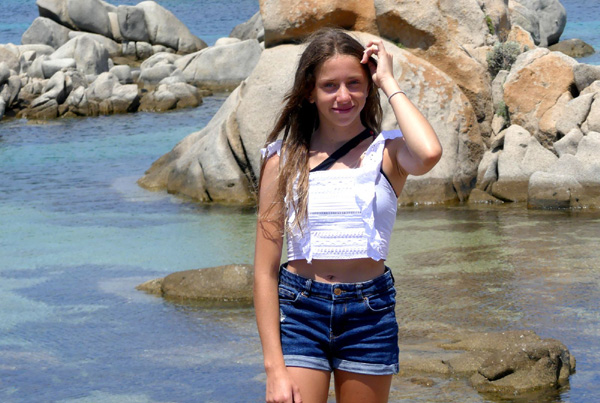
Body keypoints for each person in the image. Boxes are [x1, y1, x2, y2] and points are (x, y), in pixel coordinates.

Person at [254, 28, 442, 403]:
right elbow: (265, 271)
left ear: (368, 86)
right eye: (330, 86)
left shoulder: (387, 153)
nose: (344, 96)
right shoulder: (282, 160)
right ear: (309, 91)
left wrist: (388, 81)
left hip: (369, 313)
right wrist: (274, 369)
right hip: (300, 311)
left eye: (354, 83)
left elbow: (429, 153)